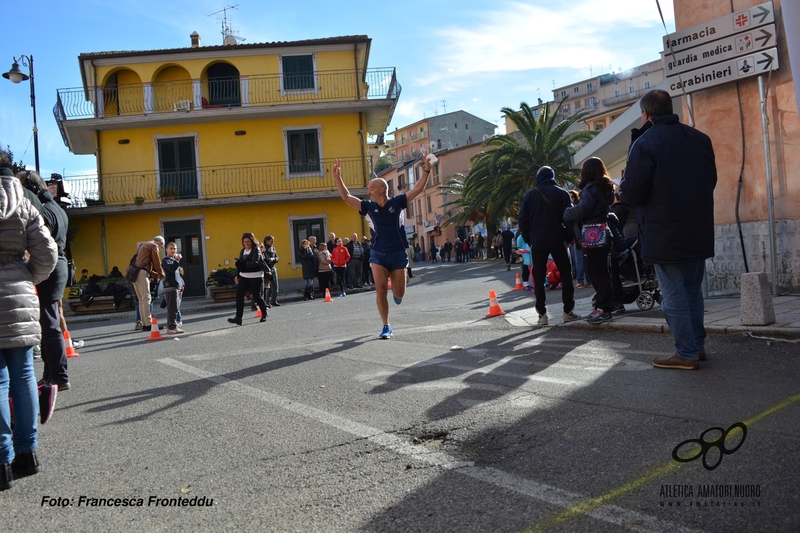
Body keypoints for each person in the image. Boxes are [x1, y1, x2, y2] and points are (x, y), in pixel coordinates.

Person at [620, 89, 717, 370]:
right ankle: (696, 347)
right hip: (697, 227)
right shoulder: (700, 138)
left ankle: (684, 352)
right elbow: (710, 179)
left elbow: (633, 192)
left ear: (646, 114)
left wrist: (624, 189)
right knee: (692, 290)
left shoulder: (645, 142)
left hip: (664, 230)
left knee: (673, 294)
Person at [1, 152, 59, 491]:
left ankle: (2, 461)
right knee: (23, 376)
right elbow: (48, 253)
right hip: (19, 294)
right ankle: (28, 454)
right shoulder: (23, 202)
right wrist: (28, 278)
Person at [333, 154, 430, 339]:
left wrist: (426, 170)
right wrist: (338, 177)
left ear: (381, 190)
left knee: (399, 293)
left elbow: (418, 189)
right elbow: (346, 197)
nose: (368, 191)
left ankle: (398, 294)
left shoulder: (397, 203)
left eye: (371, 188)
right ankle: (386, 325)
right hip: (378, 254)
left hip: (398, 253)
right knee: (380, 288)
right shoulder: (367, 207)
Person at [17, 171, 71, 391]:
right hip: (60, 264)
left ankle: (59, 375)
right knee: (51, 320)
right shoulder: (57, 208)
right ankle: (51, 374)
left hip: (49, 265)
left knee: (48, 323)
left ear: (29, 187)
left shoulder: (38, 206)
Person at [518, 166, 578, 326]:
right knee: (565, 274)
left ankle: (542, 315)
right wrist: (567, 238)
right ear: (552, 176)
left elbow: (523, 221)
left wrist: (530, 239)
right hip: (558, 240)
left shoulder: (530, 195)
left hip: (537, 242)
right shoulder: (562, 193)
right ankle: (568, 311)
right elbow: (570, 218)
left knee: (538, 277)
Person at [564, 157, 616, 324]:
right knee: (603, 272)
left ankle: (603, 309)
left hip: (591, 233)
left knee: (596, 273)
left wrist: (567, 213)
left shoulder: (590, 189)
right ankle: (604, 306)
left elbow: (583, 210)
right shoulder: (606, 188)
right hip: (603, 231)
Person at [228, 233, 268, 325]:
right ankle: (238, 317)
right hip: (244, 276)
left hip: (256, 276)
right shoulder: (243, 251)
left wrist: (240, 263)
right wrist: (237, 275)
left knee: (257, 296)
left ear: (252, 241)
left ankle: (264, 313)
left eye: (248, 241)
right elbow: (240, 264)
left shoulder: (256, 250)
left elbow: (254, 263)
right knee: (239, 295)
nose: (246, 243)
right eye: (244, 242)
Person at [131, 236, 165, 331]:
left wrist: (156, 275)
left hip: (134, 273)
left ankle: (144, 323)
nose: (160, 248)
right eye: (161, 246)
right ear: (158, 242)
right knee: (146, 298)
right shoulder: (153, 246)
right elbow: (156, 262)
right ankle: (148, 324)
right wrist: (162, 275)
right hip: (142, 273)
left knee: (141, 299)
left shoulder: (143, 245)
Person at [161, 242, 184, 334]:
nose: (173, 250)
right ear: (166, 250)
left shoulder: (173, 260)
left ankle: (172, 326)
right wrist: (177, 260)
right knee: (172, 308)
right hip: (170, 287)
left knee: (175, 308)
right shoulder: (166, 260)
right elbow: (171, 268)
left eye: (174, 249)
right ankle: (171, 327)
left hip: (175, 286)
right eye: (171, 248)